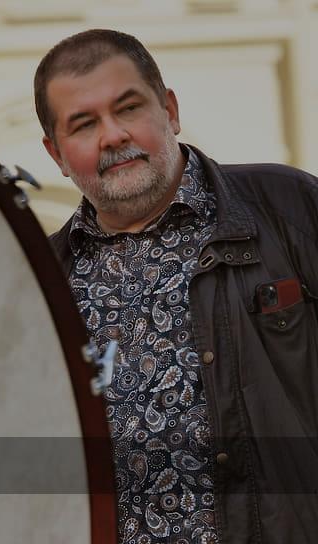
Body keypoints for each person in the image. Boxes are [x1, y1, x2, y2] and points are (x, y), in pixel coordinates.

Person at [34, 29, 318, 543]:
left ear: (169, 110)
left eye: (128, 108)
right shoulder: (41, 284)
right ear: (56, 153)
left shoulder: (289, 209)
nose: (113, 135)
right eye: (84, 124)